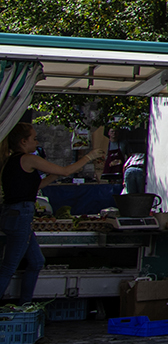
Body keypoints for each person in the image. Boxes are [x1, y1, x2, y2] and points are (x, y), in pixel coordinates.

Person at [5, 124, 109, 305]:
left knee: (37, 261)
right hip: (20, 213)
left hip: (16, 213)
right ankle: (22, 306)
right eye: (34, 138)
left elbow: (37, 186)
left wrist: (56, 174)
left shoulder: (13, 161)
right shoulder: (27, 159)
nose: (37, 142)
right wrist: (89, 157)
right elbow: (66, 171)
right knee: (9, 266)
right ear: (23, 141)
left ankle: (26, 305)